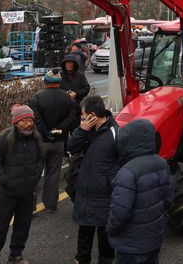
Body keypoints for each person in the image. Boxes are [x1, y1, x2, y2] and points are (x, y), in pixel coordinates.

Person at [107, 119, 174, 264]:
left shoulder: (127, 172)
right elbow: (168, 199)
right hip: (154, 238)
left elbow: (120, 213)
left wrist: (110, 229)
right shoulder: (162, 163)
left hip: (131, 245)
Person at [0, 105, 44, 264]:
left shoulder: (36, 137)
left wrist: (35, 177)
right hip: (8, 193)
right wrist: (6, 181)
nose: (28, 124)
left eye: (30, 120)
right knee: (1, 227)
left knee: (23, 226)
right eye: (23, 121)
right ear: (15, 123)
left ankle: (15, 255)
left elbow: (41, 159)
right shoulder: (4, 138)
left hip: (27, 193)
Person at [69, 96, 119, 264]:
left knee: (105, 240)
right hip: (85, 193)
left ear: (92, 115)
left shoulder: (115, 133)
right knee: (84, 235)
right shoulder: (86, 130)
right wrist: (81, 130)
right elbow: (72, 147)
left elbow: (122, 164)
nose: (81, 119)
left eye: (83, 115)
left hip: (104, 197)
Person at [30, 69, 79, 213]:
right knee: (53, 174)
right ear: (59, 82)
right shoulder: (68, 98)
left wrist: (47, 133)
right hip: (59, 143)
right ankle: (50, 205)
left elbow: (36, 120)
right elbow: (71, 119)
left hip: (40, 142)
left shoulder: (37, 97)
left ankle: (30, 206)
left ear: (45, 82)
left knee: (35, 174)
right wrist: (57, 131)